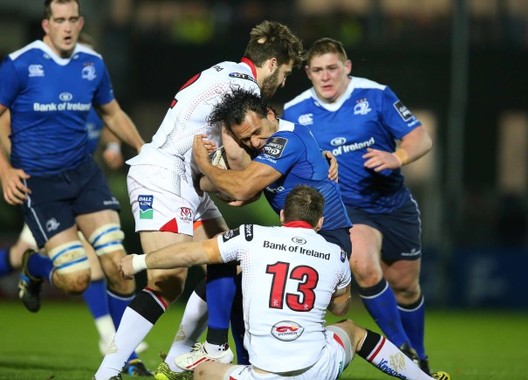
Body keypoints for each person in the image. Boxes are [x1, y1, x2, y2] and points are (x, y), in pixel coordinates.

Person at [93, 20, 304, 380]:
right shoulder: (242, 86)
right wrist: (295, 153)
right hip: (163, 172)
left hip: (188, 178)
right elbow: (240, 157)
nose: (283, 82)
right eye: (284, 73)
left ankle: (176, 357)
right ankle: (107, 371)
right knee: (168, 278)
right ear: (272, 64)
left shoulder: (228, 74)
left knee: (229, 261)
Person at [118, 185, 451, 380]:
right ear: (320, 222)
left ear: (281, 216)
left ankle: (212, 348)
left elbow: (193, 254)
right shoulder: (335, 254)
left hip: (262, 373)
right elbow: (340, 308)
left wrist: (139, 261)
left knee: (203, 373)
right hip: (317, 369)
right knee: (353, 330)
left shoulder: (251, 236)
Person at [0, 0, 149, 375]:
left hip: (84, 176)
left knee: (119, 266)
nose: (66, 27)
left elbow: (111, 112)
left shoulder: (92, 64)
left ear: (80, 23)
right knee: (75, 279)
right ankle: (33, 268)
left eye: (72, 20)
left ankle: (126, 359)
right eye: (59, 20)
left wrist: (142, 148)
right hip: (40, 184)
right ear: (45, 25)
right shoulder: (19, 64)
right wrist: (4, 169)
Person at [282, 37, 434, 374]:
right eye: (318, 70)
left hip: (393, 204)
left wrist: (398, 157)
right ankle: (401, 348)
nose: (326, 76)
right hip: (348, 208)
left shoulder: (375, 94)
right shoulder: (294, 112)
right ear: (308, 73)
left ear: (346, 67)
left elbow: (420, 137)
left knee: (406, 286)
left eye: (332, 68)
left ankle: (419, 355)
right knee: (363, 265)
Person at [173, 87, 353, 371]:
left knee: (228, 258)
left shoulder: (285, 141)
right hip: (299, 236)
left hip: (326, 237)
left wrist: (204, 164)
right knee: (231, 270)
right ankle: (242, 363)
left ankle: (217, 348)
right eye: (247, 139)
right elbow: (240, 196)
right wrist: (213, 176)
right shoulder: (270, 146)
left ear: (270, 113)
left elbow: (241, 188)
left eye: (257, 131)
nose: (256, 142)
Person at [0, 107, 148, 356]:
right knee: (22, 257)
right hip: (45, 189)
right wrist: (13, 167)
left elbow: (110, 123)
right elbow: (5, 123)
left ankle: (111, 339)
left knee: (100, 262)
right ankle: (34, 267)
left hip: (81, 188)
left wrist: (112, 148)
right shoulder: (40, 95)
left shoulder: (90, 97)